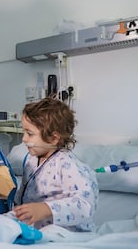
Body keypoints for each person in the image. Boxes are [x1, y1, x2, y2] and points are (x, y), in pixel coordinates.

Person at [12, 97, 98, 232]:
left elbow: (85, 205)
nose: (24, 139)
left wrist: (46, 209)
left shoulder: (67, 165)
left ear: (53, 138)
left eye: (29, 133)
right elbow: (24, 193)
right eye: (24, 132)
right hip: (34, 228)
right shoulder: (31, 160)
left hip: (67, 232)